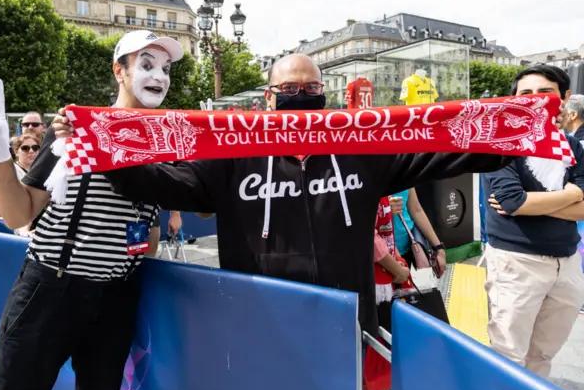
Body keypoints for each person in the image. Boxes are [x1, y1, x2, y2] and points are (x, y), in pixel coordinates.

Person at [54, 53, 514, 338]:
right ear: (269, 99)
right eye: (290, 89)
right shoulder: (231, 156)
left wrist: (511, 135)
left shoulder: (362, 151)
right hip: (261, 323)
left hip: (346, 322)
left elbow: (441, 152)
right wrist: (103, 149)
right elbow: (165, 183)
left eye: (313, 89)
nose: (302, 96)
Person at [0, 30, 185, 390]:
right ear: (119, 71)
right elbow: (19, 213)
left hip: (118, 296)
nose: (159, 77)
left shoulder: (165, 141)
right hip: (53, 287)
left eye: (166, 68)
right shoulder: (76, 127)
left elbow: (153, 230)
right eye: (147, 65)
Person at [483, 65, 584, 378]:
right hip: (517, 264)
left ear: (563, 98)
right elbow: (512, 201)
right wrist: (573, 194)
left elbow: (518, 204)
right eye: (526, 94)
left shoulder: (572, 146)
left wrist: (528, 204)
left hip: (566, 265)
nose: (535, 100)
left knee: (543, 354)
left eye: (546, 92)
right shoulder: (500, 143)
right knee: (507, 357)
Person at [388, 188, 446, 275]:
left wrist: (438, 248)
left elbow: (416, 210)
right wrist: (383, 208)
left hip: (407, 246)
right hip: (383, 255)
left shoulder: (406, 176)